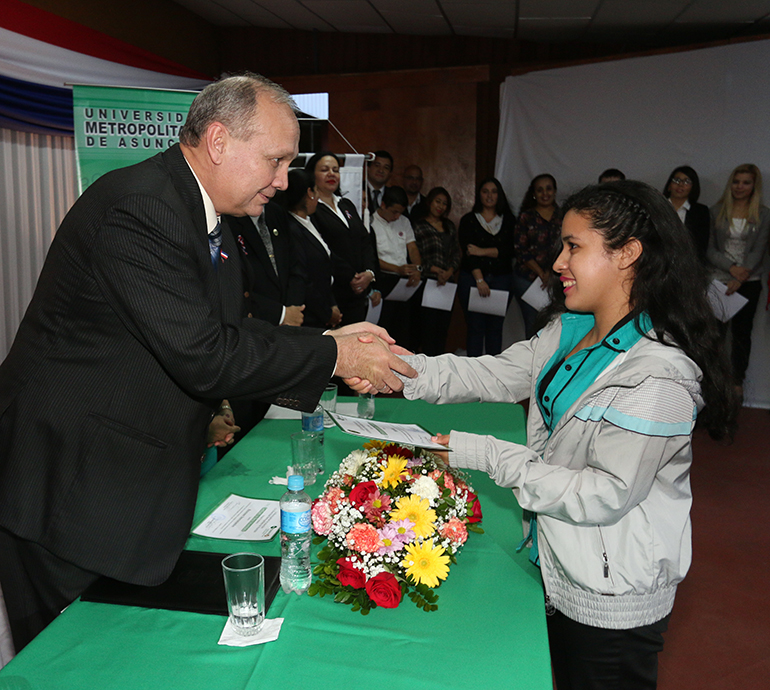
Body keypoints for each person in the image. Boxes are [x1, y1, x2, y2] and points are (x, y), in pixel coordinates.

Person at [0, 73, 415, 652]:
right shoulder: (143, 207)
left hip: (121, 482)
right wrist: (334, 354)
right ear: (219, 141)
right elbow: (204, 355)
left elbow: (223, 330)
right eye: (275, 160)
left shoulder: (203, 211)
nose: (282, 180)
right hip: (69, 489)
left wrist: (326, 340)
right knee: (73, 660)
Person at [400, 180, 735, 690]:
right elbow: (492, 373)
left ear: (628, 254)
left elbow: (604, 493)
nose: (558, 262)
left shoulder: (657, 375)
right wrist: (400, 369)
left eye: (573, 246)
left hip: (609, 596)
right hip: (559, 561)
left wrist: (483, 454)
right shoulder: (571, 330)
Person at [707, 163, 770, 397]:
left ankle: (736, 383)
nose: (740, 187)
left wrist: (741, 277)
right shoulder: (716, 211)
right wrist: (732, 269)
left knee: (742, 335)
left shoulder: (763, 214)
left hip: (749, 282)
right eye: (736, 182)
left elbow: (759, 250)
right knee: (714, 335)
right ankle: (712, 382)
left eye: (746, 182)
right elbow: (710, 249)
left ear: (754, 186)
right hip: (719, 280)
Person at [307, 151, 381, 325]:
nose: (331, 174)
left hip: (358, 292)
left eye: (335, 170)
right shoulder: (311, 209)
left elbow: (365, 241)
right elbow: (320, 249)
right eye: (324, 170)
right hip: (330, 293)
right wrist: (350, 276)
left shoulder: (346, 204)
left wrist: (369, 273)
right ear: (312, 175)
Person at [458, 177, 516, 356]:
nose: (489, 196)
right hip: (472, 279)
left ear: (499, 195)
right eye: (485, 191)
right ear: (479, 195)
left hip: (502, 279)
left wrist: (481, 251)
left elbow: (509, 251)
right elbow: (469, 253)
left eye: (494, 192)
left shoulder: (509, 220)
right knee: (475, 327)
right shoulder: (469, 220)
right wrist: (480, 280)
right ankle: (473, 369)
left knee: (495, 328)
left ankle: (493, 368)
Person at [279, 168, 341, 329]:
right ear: (309, 193)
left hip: (324, 305)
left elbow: (326, 266)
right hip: (308, 316)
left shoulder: (311, 221)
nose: (318, 196)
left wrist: (332, 303)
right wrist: (326, 312)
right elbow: (304, 277)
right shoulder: (291, 229)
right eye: (316, 190)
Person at [371, 185, 423, 350]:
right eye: (394, 212)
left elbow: (412, 248)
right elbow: (372, 259)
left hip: (402, 282)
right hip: (381, 279)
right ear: (383, 205)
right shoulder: (371, 222)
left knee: (402, 329)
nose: (397, 216)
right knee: (382, 328)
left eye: (400, 212)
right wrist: (396, 269)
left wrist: (417, 269)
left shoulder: (404, 221)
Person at [411, 186, 461, 355]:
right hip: (427, 282)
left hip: (447, 283)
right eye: (437, 201)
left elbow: (456, 253)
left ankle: (440, 364)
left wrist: (450, 271)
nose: (440, 206)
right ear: (429, 202)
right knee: (427, 329)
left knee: (442, 329)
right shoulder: (419, 226)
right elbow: (414, 255)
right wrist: (433, 269)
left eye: (444, 203)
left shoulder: (449, 226)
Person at [513, 174, 562, 338]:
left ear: (554, 191)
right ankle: (533, 355)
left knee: (555, 325)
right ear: (534, 194)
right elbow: (520, 249)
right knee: (533, 324)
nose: (545, 193)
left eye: (548, 189)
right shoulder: (526, 217)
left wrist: (550, 274)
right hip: (527, 278)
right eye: (540, 190)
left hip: (558, 278)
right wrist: (541, 273)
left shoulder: (564, 216)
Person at [662, 165, 710, 263]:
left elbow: (701, 246)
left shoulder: (701, 212)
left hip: (688, 263)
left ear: (693, 187)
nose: (680, 185)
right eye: (676, 180)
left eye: (686, 182)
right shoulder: (657, 207)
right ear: (669, 186)